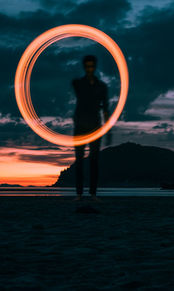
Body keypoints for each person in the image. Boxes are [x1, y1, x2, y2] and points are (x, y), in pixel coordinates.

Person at [71, 55, 111, 202]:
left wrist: (107, 129)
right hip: (80, 125)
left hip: (95, 126)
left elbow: (105, 108)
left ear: (95, 67)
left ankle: (93, 193)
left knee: (94, 160)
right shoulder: (78, 84)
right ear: (84, 67)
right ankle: (79, 193)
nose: (89, 69)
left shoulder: (102, 87)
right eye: (87, 66)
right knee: (79, 160)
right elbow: (84, 97)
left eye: (92, 66)